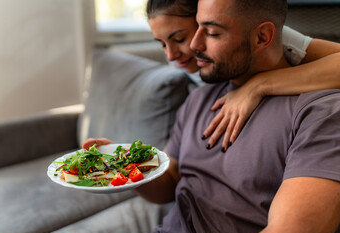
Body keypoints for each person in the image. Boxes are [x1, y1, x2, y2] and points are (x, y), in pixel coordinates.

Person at [84, 0, 340, 233]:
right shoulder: (199, 99)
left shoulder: (320, 112)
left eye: (212, 32)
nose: (193, 46)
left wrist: (259, 85)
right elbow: (171, 179)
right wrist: (127, 167)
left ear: (262, 37)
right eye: (197, 27)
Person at [146, 0, 340, 151]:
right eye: (161, 44)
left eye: (180, 39)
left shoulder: (274, 41)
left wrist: (258, 85)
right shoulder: (187, 72)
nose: (170, 56)